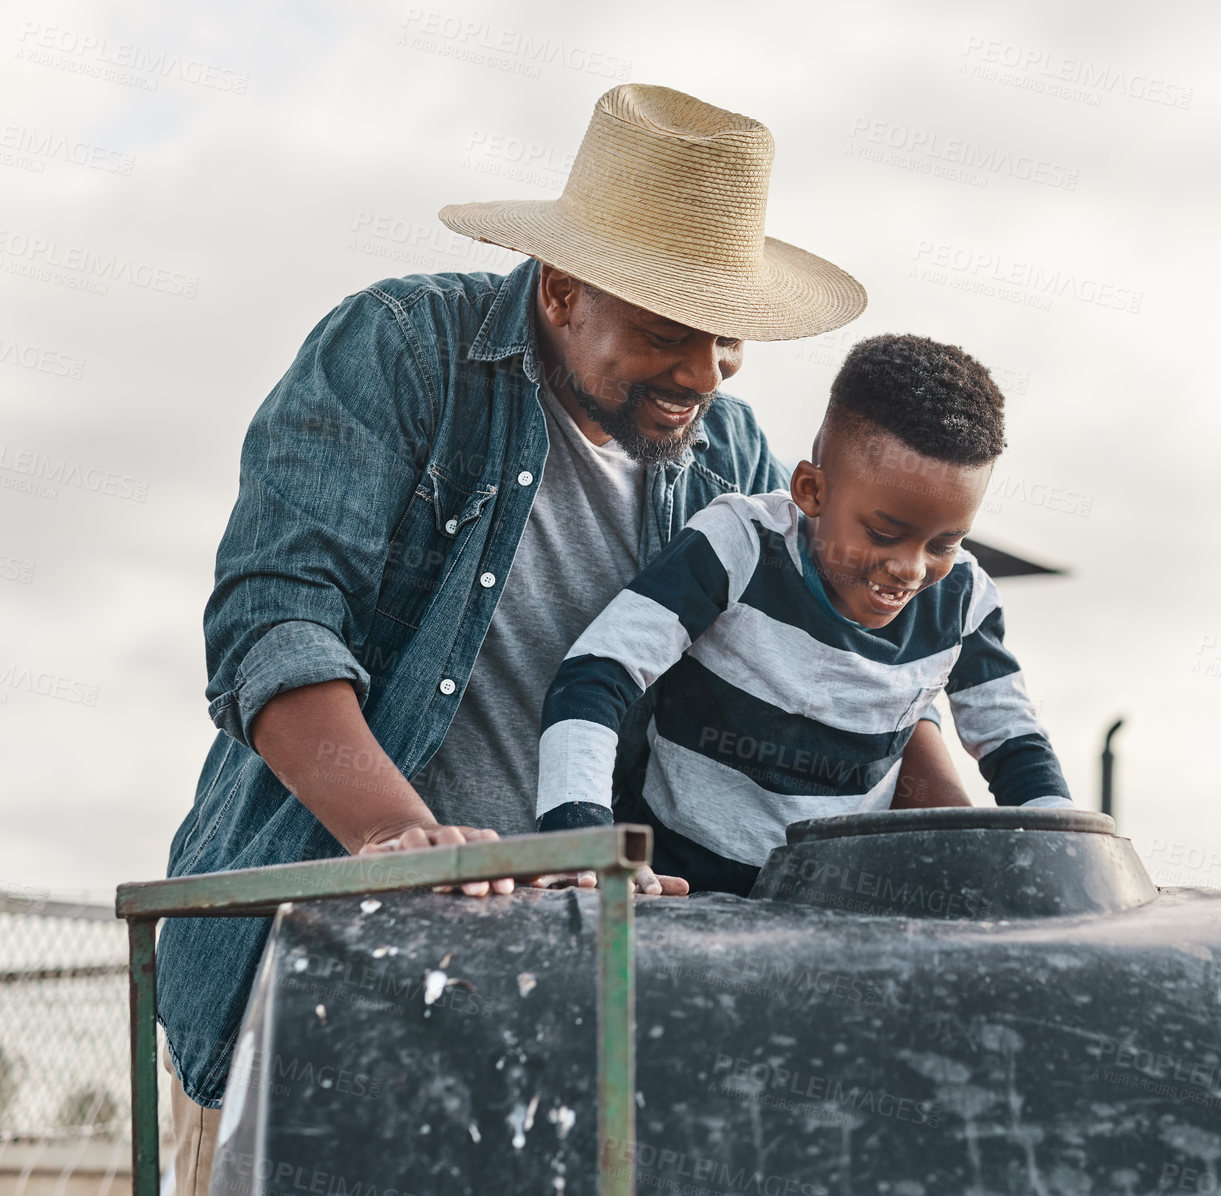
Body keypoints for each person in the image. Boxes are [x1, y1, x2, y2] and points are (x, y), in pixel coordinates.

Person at [154, 84, 968, 1194]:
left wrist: (986, 843)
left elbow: (840, 669)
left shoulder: (729, 452)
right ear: (561, 286)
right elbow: (274, 620)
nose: (703, 373)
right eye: (665, 333)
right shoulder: (401, 355)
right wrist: (405, 839)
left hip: (578, 993)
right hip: (328, 963)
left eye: (725, 338)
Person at [537, 333, 1072, 893]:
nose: (910, 569)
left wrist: (1061, 860)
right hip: (680, 896)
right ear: (811, 490)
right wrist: (582, 837)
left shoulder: (963, 599)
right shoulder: (737, 546)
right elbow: (597, 674)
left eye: (944, 543)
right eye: (885, 534)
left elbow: (1014, 739)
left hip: (837, 909)